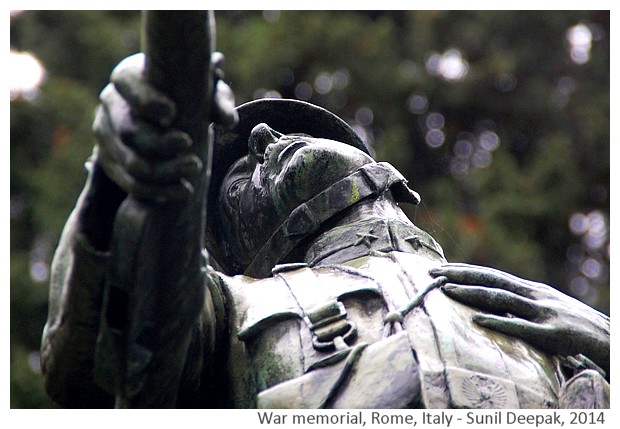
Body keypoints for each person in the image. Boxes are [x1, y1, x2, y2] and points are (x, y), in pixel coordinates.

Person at [41, 53, 610, 409]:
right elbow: (90, 363)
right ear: (240, 250)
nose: (263, 135)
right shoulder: (228, 310)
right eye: (239, 175)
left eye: (297, 128)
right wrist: (120, 187)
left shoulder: (551, 318)